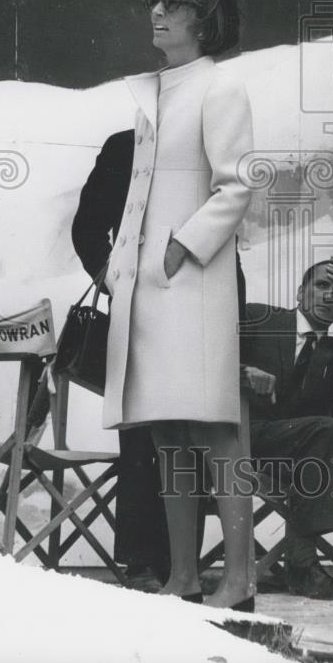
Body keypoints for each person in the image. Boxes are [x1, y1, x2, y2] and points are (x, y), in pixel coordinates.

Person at [102, 0, 254, 610]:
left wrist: (180, 246)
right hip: (146, 288)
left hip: (192, 284)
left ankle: (239, 580)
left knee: (215, 428)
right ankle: (184, 576)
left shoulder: (220, 88)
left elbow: (237, 184)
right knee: (165, 430)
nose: (157, 11)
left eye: (172, 1)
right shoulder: (157, 92)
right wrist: (123, 269)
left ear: (205, 16)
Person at [72, 130, 247, 581]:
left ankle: (181, 567)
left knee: (198, 435)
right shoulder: (125, 146)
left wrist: (233, 320)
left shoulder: (211, 145)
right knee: (144, 436)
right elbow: (88, 227)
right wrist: (116, 281)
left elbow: (225, 241)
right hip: (141, 309)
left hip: (204, 309)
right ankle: (142, 562)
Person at [240, 257, 333, 605]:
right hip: (247, 440)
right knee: (326, 428)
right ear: (300, 292)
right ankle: (303, 563)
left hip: (308, 460)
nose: (329, 296)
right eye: (322, 285)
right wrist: (243, 370)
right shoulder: (258, 318)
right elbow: (211, 354)